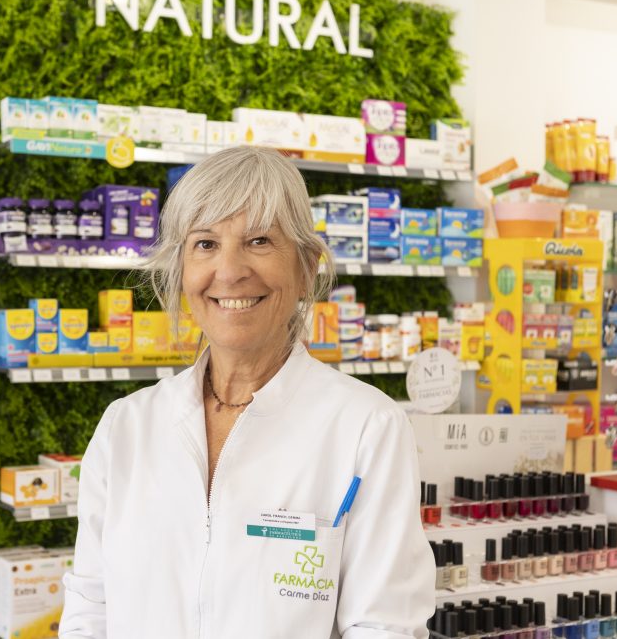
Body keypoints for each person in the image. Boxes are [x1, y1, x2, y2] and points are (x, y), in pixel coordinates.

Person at [59, 146, 435, 638]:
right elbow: (91, 607)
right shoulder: (126, 427)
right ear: (181, 270)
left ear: (306, 268)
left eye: (259, 241)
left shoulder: (367, 427)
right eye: (205, 244)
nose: (230, 270)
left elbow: (384, 626)